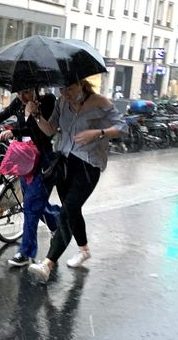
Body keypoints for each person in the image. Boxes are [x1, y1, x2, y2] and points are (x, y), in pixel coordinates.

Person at [27, 79, 127, 282]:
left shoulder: (100, 102)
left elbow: (123, 128)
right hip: (64, 164)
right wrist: (36, 114)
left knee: (67, 212)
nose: (66, 93)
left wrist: (98, 133)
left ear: (82, 84)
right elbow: (50, 130)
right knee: (72, 210)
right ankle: (84, 250)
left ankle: (47, 264)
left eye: (70, 88)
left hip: (89, 165)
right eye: (62, 89)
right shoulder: (62, 103)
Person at [0, 87, 60, 267]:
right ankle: (57, 221)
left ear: (35, 89)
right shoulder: (19, 102)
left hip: (43, 161)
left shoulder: (47, 101)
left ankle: (26, 252)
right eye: (19, 92)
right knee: (33, 203)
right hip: (26, 159)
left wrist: (29, 116)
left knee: (30, 206)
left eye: (26, 92)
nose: (22, 96)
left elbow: (43, 133)